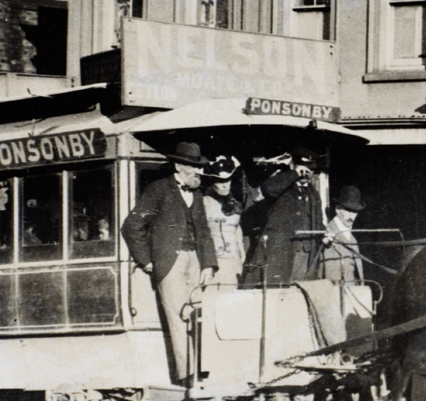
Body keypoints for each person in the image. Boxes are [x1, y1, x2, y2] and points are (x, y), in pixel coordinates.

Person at [121, 141, 217, 380]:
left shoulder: (197, 194)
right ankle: (187, 376)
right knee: (178, 318)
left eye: (201, 168)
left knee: (201, 314)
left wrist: (208, 263)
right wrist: (147, 261)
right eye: (195, 167)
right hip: (170, 263)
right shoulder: (158, 189)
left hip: (196, 260)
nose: (200, 173)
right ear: (178, 166)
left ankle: (205, 370)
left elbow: (204, 231)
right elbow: (132, 226)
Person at [240, 147, 323, 288]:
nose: (307, 174)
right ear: (293, 166)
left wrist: (324, 234)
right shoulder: (283, 184)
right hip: (284, 252)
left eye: (310, 170)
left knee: (301, 292)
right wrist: (294, 174)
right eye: (304, 169)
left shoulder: (313, 193)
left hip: (306, 254)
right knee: (280, 292)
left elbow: (317, 220)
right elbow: (268, 189)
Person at [201, 155, 247, 288]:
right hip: (215, 261)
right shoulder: (205, 203)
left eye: (227, 180)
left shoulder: (235, 204)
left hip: (234, 260)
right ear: (212, 182)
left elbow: (237, 229)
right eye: (220, 181)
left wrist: (241, 252)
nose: (225, 184)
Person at [319, 185, 366, 284]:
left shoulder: (352, 238)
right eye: (348, 211)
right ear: (338, 209)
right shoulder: (326, 233)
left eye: (355, 212)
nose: (351, 217)